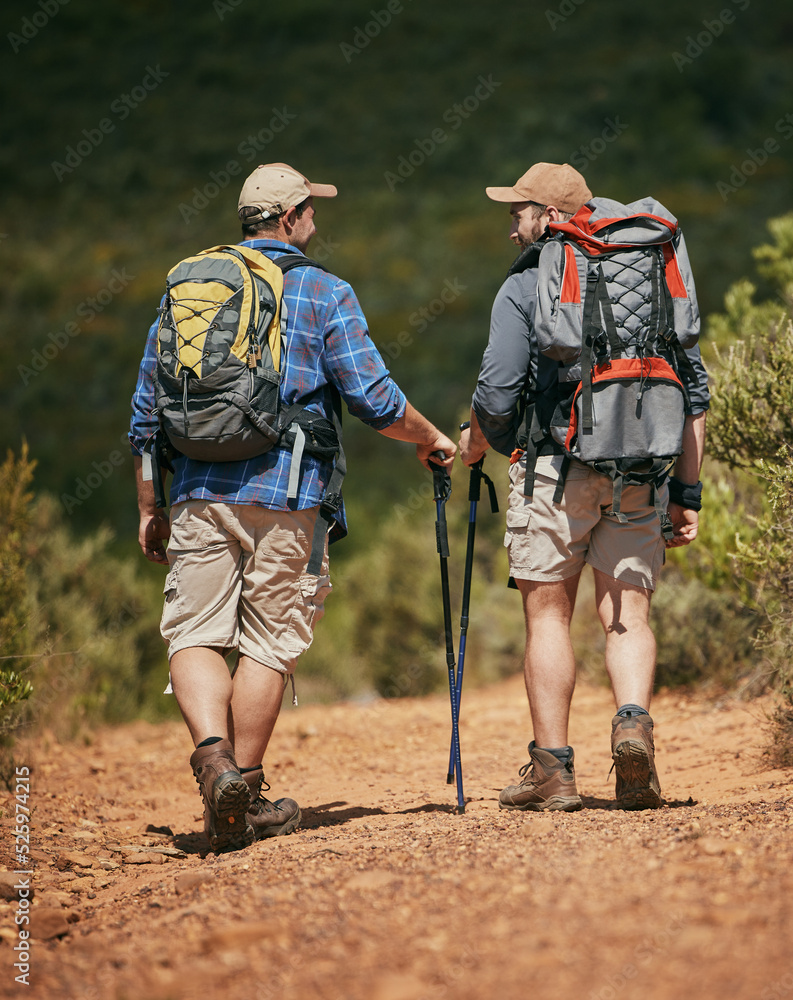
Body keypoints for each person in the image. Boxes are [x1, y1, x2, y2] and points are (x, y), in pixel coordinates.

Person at [130, 162, 456, 853]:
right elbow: (371, 397)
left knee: (192, 633)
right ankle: (241, 791)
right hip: (288, 493)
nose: (315, 217)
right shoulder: (323, 290)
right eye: (309, 207)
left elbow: (146, 410)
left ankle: (213, 761)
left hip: (194, 488)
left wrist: (149, 504)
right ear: (288, 218)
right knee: (270, 641)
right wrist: (429, 439)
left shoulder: (189, 289)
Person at [458, 162, 708, 811]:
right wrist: (686, 494)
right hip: (639, 464)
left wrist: (486, 443)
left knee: (547, 615)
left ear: (547, 215)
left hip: (553, 466)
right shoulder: (648, 269)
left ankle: (554, 771)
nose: (510, 224)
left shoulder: (526, 279)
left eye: (518, 211)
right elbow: (693, 391)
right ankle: (631, 727)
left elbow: (496, 390)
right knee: (628, 611)